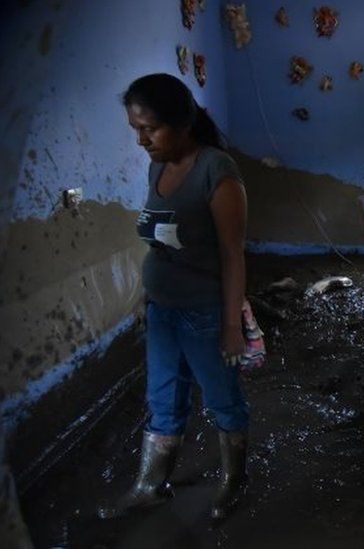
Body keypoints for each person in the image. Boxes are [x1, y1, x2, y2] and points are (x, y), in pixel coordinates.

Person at [99, 73, 249, 521]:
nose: (142, 140)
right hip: (162, 308)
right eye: (136, 130)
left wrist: (230, 327)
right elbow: (159, 243)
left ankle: (233, 481)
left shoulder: (217, 172)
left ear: (182, 123)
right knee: (162, 396)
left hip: (204, 311)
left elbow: (232, 254)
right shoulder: (157, 167)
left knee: (222, 397)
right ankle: (151, 484)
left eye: (150, 129)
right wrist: (148, 298)